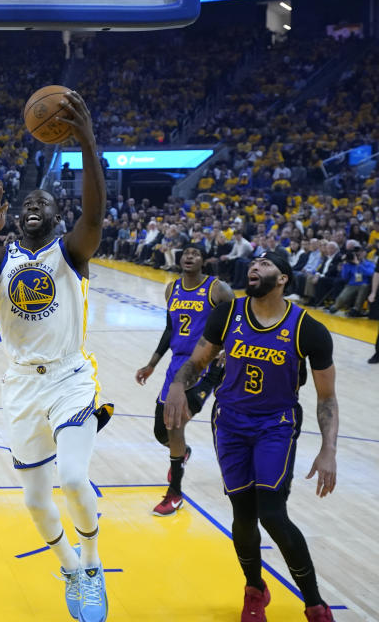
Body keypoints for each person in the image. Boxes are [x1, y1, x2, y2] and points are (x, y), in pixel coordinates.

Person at [0, 90, 112, 622]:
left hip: (70, 377)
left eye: (42, 204)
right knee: (33, 501)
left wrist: (88, 143)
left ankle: (92, 566)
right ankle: (68, 564)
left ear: (57, 216)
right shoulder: (0, 257)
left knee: (72, 478)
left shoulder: (70, 252)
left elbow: (95, 212)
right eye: (25, 204)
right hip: (21, 384)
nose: (31, 208)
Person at [164, 252, 338, 622]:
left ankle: (314, 603)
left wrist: (328, 450)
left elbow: (327, 397)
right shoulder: (228, 314)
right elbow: (197, 362)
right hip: (229, 422)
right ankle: (255, 589)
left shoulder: (309, 329)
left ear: (283, 279)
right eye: (253, 262)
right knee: (243, 515)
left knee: (273, 514)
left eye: (265, 263)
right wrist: (179, 385)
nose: (254, 267)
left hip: (275, 424)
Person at [135, 244, 233, 515]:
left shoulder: (217, 289)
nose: (189, 256)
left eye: (196, 253)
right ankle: (182, 453)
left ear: (203, 260)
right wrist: (152, 364)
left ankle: (175, 493)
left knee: (175, 424)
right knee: (160, 431)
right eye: (186, 252)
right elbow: (170, 329)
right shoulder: (172, 289)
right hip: (176, 366)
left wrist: (228, 348)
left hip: (205, 364)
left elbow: (238, 320)